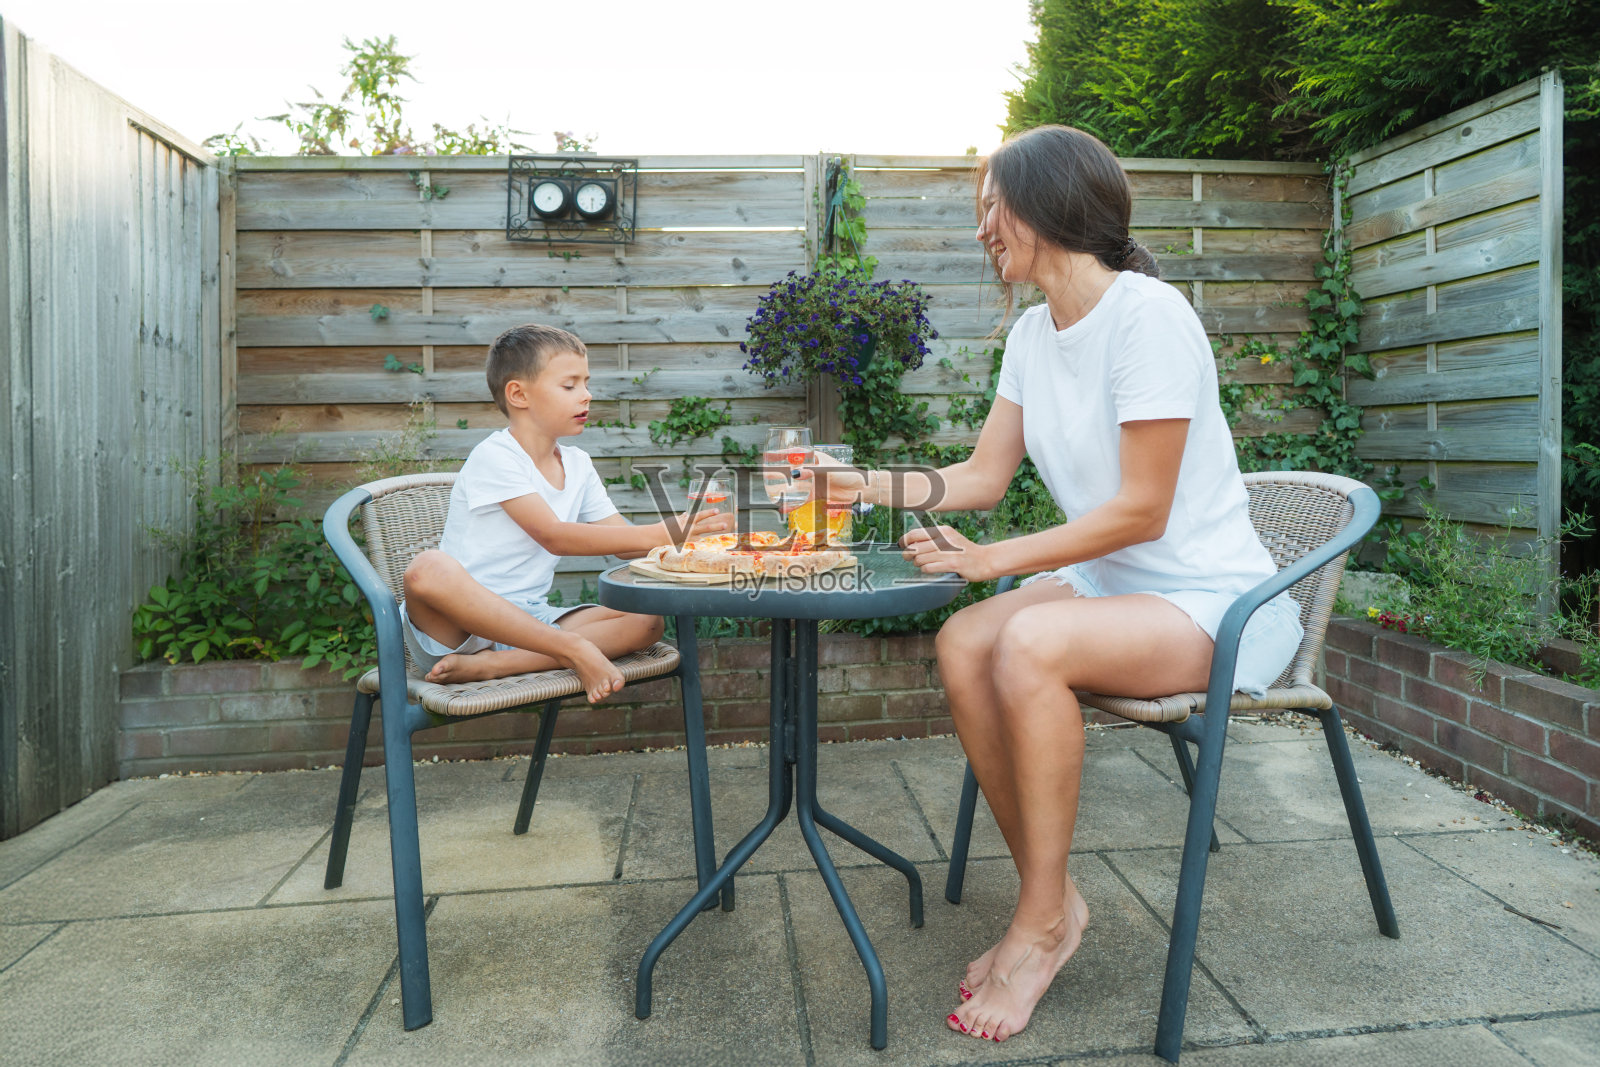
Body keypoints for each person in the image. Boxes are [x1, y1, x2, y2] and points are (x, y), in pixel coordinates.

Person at [802, 125, 1303, 1043]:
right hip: (1111, 588)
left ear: (1045, 206)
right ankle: (1057, 894)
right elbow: (982, 478)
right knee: (964, 638)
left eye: (992, 207)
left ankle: (1035, 927)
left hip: (1209, 601)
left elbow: (1143, 510)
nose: (982, 229)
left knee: (1025, 638)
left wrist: (994, 560)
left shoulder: (1149, 316)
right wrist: (857, 483)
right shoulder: (1034, 333)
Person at [400, 324, 731, 704]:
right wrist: (660, 532)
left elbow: (624, 546)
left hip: (528, 622)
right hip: (455, 625)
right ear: (519, 394)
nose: (587, 395)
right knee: (428, 568)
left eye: (586, 383)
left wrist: (696, 539)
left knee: (645, 621)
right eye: (570, 385)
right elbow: (552, 534)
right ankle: (572, 649)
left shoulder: (578, 464)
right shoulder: (495, 456)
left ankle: (500, 665)